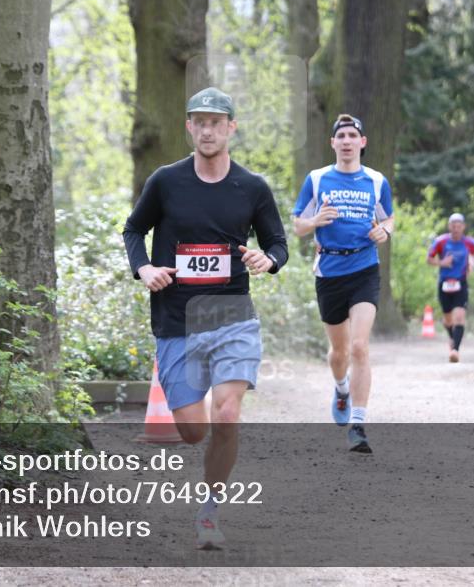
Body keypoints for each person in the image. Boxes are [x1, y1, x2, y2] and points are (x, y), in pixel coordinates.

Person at [122, 87, 288, 550]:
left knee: (228, 413)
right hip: (177, 320)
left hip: (233, 315)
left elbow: (278, 244)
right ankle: (203, 458)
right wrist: (145, 267)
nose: (208, 129)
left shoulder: (251, 187)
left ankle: (210, 512)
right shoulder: (166, 181)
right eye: (200, 121)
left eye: (217, 122)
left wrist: (267, 260)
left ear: (231, 128)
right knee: (193, 432)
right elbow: (135, 228)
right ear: (189, 128)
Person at [292, 114, 394, 454]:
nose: (347, 141)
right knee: (338, 353)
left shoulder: (376, 181)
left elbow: (389, 216)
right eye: (342, 136)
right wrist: (314, 221)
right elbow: (297, 225)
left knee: (359, 347)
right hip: (330, 270)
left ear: (362, 143)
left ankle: (358, 424)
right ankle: (341, 388)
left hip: (364, 267)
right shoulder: (317, 179)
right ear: (333, 143)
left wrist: (386, 230)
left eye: (353, 135)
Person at [427, 213, 474, 362]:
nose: (456, 229)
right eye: (453, 226)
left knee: (459, 317)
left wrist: (471, 265)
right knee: (448, 320)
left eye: (459, 226)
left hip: (460, 283)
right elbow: (429, 259)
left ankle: (455, 350)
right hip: (444, 283)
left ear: (463, 227)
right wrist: (442, 263)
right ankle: (452, 339)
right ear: (449, 227)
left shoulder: (470, 243)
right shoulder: (440, 242)